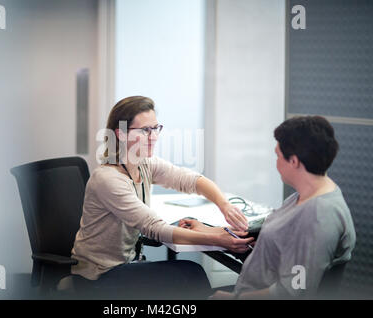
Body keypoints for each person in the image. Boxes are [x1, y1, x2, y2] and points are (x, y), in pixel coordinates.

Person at [63, 96, 253, 299]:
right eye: (145, 130)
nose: (153, 136)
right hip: (98, 276)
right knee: (190, 274)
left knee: (186, 275)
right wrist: (218, 239)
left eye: (156, 128)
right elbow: (154, 227)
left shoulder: (144, 163)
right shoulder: (107, 179)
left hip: (125, 265)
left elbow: (189, 180)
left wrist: (223, 204)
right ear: (122, 134)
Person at [210, 116, 356, 299]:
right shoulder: (307, 195)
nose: (276, 162)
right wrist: (212, 232)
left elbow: (292, 292)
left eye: (278, 155)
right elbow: (278, 234)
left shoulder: (318, 218)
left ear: (293, 161)